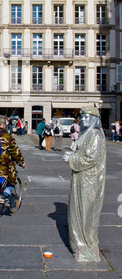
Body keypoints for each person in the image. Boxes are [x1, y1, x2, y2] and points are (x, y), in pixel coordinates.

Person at [63, 106, 106, 262]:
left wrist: (71, 159)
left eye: (87, 117)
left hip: (89, 180)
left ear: (94, 119)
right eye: (82, 117)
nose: (83, 119)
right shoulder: (87, 133)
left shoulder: (95, 134)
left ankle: (85, 247)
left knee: (85, 213)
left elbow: (91, 158)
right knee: (79, 212)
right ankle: (82, 246)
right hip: (82, 178)